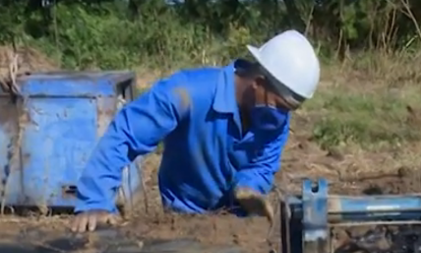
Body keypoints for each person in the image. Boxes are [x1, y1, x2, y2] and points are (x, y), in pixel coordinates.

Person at [71, 30, 321, 233]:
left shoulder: (274, 120)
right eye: (279, 105)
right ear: (257, 84)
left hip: (236, 223)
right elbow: (125, 134)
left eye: (289, 110)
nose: (282, 116)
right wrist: (96, 201)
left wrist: (249, 188)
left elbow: (263, 165)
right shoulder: (188, 93)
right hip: (183, 217)